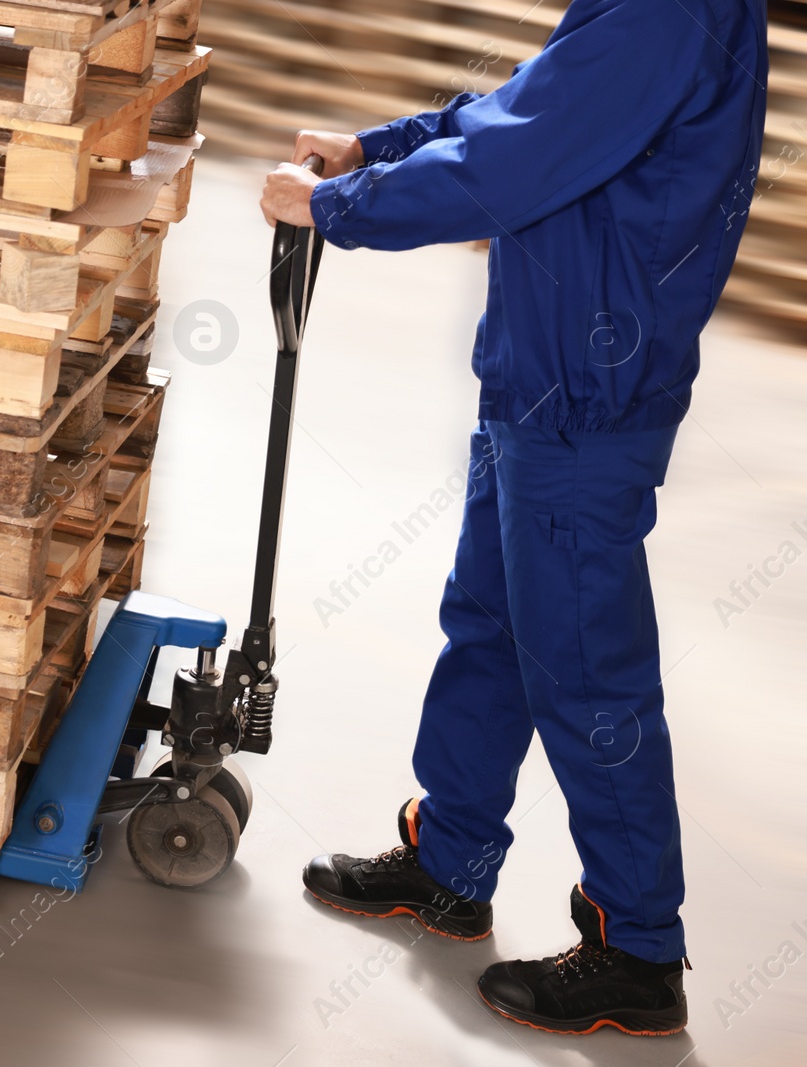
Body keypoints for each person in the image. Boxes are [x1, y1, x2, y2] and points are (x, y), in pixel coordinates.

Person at [257, 0, 768, 1037]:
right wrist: (377, 146)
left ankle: (638, 948)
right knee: (486, 625)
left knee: (587, 672)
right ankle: (450, 862)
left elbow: (519, 161)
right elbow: (528, 106)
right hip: (540, 376)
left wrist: (340, 205)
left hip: (586, 396)